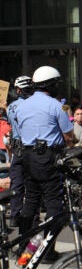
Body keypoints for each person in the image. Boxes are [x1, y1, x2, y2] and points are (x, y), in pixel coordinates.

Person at [15, 65, 75, 264]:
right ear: (51, 84)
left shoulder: (21, 105)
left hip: (27, 157)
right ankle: (47, 251)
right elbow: (69, 136)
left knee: (30, 202)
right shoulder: (55, 105)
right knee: (53, 204)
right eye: (57, 83)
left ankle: (24, 249)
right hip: (48, 158)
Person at [7, 76, 33, 227]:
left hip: (18, 149)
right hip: (32, 148)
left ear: (18, 90)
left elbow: (12, 124)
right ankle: (32, 215)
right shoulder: (35, 105)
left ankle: (14, 216)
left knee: (17, 183)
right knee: (33, 183)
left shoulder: (12, 106)